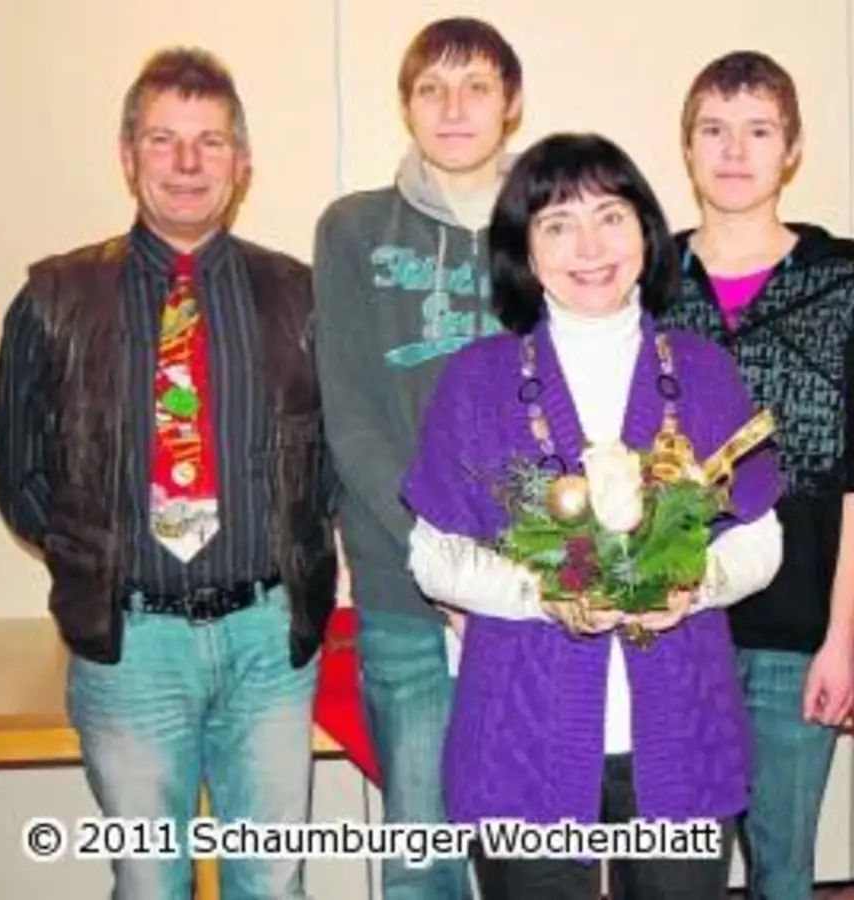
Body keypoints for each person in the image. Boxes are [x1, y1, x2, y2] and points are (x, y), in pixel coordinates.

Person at [0, 48, 335, 899]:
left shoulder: (301, 296)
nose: (187, 164)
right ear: (127, 153)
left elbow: (331, 459)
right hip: (130, 647)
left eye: (210, 142)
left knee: (273, 884)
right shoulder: (53, 298)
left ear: (241, 164)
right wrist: (100, 559)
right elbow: (18, 467)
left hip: (267, 642)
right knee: (149, 882)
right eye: (163, 139)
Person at [402, 132, 786, 900]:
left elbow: (761, 538)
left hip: (680, 722)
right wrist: (539, 596)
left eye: (609, 217)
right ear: (524, 250)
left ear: (645, 230)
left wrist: (697, 582)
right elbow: (433, 555)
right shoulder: (477, 383)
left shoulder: (704, 374)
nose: (588, 246)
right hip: (523, 725)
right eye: (556, 225)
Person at [658, 51, 854, 900]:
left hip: (799, 636)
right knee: (680, 870)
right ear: (687, 148)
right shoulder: (648, 287)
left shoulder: (844, 292)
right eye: (713, 130)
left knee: (784, 869)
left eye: (758, 130)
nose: (734, 150)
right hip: (677, 628)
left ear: (791, 151)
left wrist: (845, 635)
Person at [311, 17, 522, 899]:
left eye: (476, 86)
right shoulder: (354, 229)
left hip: (531, 591)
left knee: (536, 854)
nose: (454, 107)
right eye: (431, 88)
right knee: (423, 856)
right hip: (408, 590)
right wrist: (443, 558)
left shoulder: (553, 224)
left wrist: (514, 565)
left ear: (512, 106)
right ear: (406, 106)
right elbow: (352, 416)